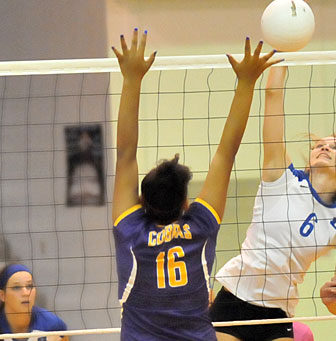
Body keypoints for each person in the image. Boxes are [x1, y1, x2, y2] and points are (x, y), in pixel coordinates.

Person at [111, 28, 280, 341]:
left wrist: (131, 78)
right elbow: (226, 154)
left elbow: (125, 154)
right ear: (185, 202)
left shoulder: (131, 231)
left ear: (141, 202)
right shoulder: (199, 226)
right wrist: (247, 81)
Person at [209, 64, 336, 340]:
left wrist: (332, 298)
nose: (324, 147)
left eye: (335, 147)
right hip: (233, 301)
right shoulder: (281, 176)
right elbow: (272, 95)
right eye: (320, 145)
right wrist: (281, 55)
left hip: (277, 313)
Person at [0, 264, 68, 341]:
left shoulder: (53, 325)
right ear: (2, 295)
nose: (25, 293)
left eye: (29, 286)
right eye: (16, 287)